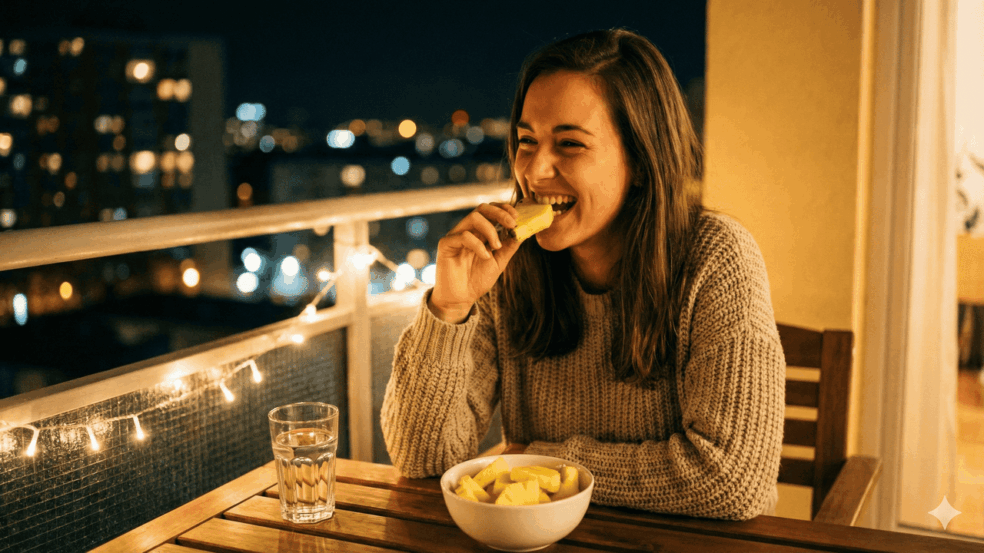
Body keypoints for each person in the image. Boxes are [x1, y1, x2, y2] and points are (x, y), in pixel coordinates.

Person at [381, 28, 784, 521]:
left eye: (569, 144)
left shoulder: (716, 258)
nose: (534, 169)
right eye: (526, 141)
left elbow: (732, 480)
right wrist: (449, 308)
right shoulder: (507, 267)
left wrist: (542, 461)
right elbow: (422, 462)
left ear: (640, 159)